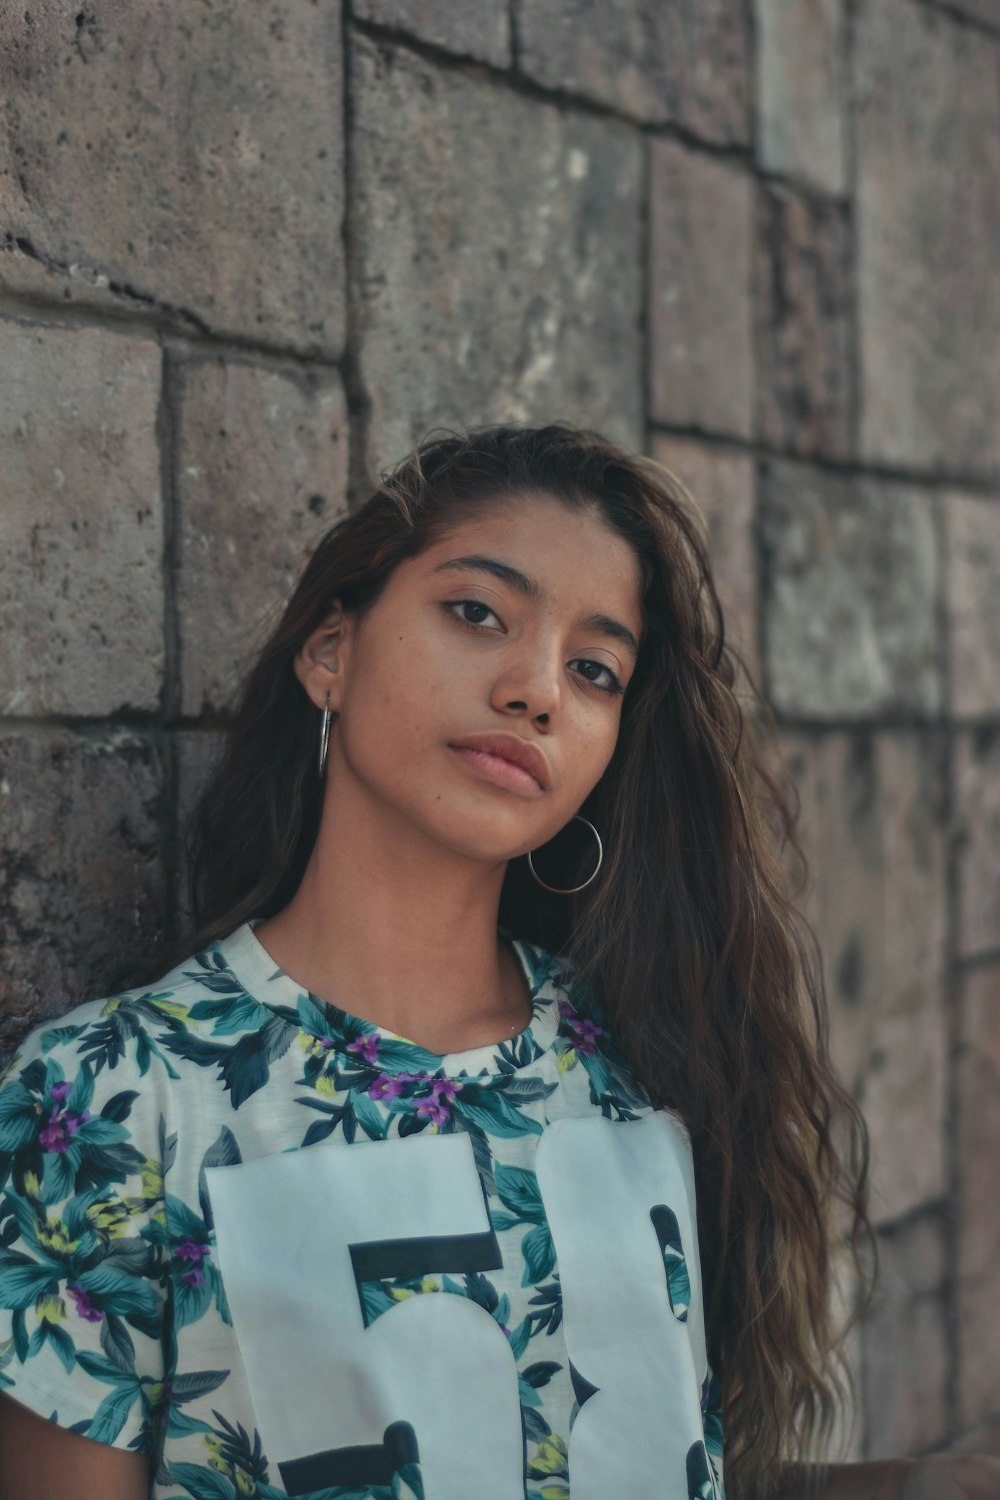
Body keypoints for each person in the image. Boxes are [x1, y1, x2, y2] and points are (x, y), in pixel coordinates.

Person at [0, 423, 996, 1500]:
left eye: (594, 668)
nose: (537, 691)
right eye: (477, 613)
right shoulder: (110, 1100)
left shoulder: (641, 1058)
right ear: (331, 652)